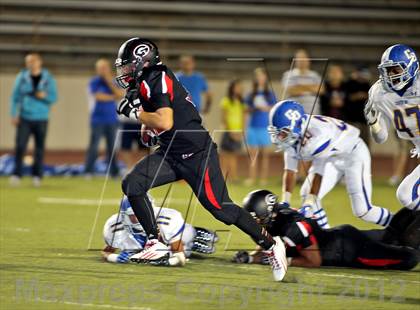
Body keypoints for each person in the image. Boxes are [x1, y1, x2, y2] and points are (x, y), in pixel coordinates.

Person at [114, 37, 287, 281]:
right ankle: (155, 243)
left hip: (196, 154)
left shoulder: (157, 77)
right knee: (133, 184)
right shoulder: (144, 81)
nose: (125, 72)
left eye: (129, 65)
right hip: (171, 151)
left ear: (144, 62)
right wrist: (147, 128)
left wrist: (136, 113)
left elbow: (165, 120)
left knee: (221, 209)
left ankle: (271, 244)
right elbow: (157, 127)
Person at [268, 100, 392, 228]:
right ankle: (326, 238)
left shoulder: (318, 135)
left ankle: (399, 225)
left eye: (283, 132)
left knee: (363, 210)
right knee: (307, 195)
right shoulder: (296, 134)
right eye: (277, 132)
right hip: (332, 158)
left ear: (296, 125)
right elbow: (290, 170)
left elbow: (318, 171)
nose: (279, 137)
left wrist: (308, 204)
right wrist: (285, 201)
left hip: (353, 153)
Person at [233, 190, 418, 270]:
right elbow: (268, 248)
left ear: (266, 213)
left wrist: (282, 260)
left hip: (348, 251)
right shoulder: (273, 220)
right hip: (340, 236)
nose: (253, 222)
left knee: (410, 258)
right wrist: (250, 258)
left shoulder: (292, 226)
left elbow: (314, 260)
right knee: (391, 237)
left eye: (256, 217)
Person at [364, 44, 419, 211]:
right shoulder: (380, 93)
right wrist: (373, 123)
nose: (390, 75)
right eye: (387, 70)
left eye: (395, 70)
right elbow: (381, 138)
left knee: (407, 193)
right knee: (405, 194)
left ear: (411, 66)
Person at [101, 195, 219, 266]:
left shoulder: (166, 220)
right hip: (150, 247)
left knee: (186, 239)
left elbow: (180, 258)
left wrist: (167, 261)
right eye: (133, 215)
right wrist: (115, 258)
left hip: (169, 243)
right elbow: (106, 253)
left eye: (142, 212)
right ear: (124, 215)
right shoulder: (115, 226)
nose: (139, 217)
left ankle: (193, 235)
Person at [9, 53, 57, 187]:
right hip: (24, 117)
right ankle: (16, 174)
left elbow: (53, 98)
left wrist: (43, 96)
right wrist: (14, 114)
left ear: (39, 62)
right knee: (20, 146)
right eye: (28, 62)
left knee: (39, 148)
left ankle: (37, 176)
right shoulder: (22, 77)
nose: (30, 64)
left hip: (41, 118)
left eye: (33, 61)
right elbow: (14, 97)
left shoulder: (48, 78)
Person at [85, 58, 124, 178]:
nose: (102, 70)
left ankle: (114, 172)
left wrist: (109, 83)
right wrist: (113, 97)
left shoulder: (115, 81)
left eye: (104, 68)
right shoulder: (94, 82)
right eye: (100, 68)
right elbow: (98, 96)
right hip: (97, 120)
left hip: (112, 119)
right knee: (94, 146)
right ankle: (89, 171)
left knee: (112, 147)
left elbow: (120, 95)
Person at [244, 68, 277, 186]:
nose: (259, 78)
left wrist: (265, 108)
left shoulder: (270, 94)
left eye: (261, 76)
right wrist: (254, 107)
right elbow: (246, 109)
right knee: (253, 155)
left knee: (265, 156)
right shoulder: (251, 94)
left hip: (265, 127)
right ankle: (251, 178)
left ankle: (263, 179)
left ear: (265, 78)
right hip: (252, 126)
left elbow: (274, 108)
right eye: (257, 76)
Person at [281, 49, 324, 115]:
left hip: (313, 113)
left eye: (303, 58)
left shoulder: (315, 75)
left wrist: (299, 86)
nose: (301, 61)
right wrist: (312, 87)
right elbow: (290, 90)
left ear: (308, 60)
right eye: (299, 58)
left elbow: (321, 90)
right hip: (295, 113)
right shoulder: (288, 74)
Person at [220, 79, 245, 182]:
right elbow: (224, 118)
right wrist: (230, 131)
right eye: (237, 87)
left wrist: (241, 131)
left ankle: (233, 177)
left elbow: (243, 117)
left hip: (237, 132)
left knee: (234, 155)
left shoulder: (241, 102)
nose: (239, 89)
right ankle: (222, 176)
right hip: (228, 132)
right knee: (224, 155)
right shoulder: (226, 101)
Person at [344, 66, 372, 147]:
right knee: (350, 140)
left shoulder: (367, 84)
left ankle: (365, 157)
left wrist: (363, 95)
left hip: (364, 118)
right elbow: (347, 95)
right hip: (351, 117)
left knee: (365, 141)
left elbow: (371, 96)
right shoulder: (350, 83)